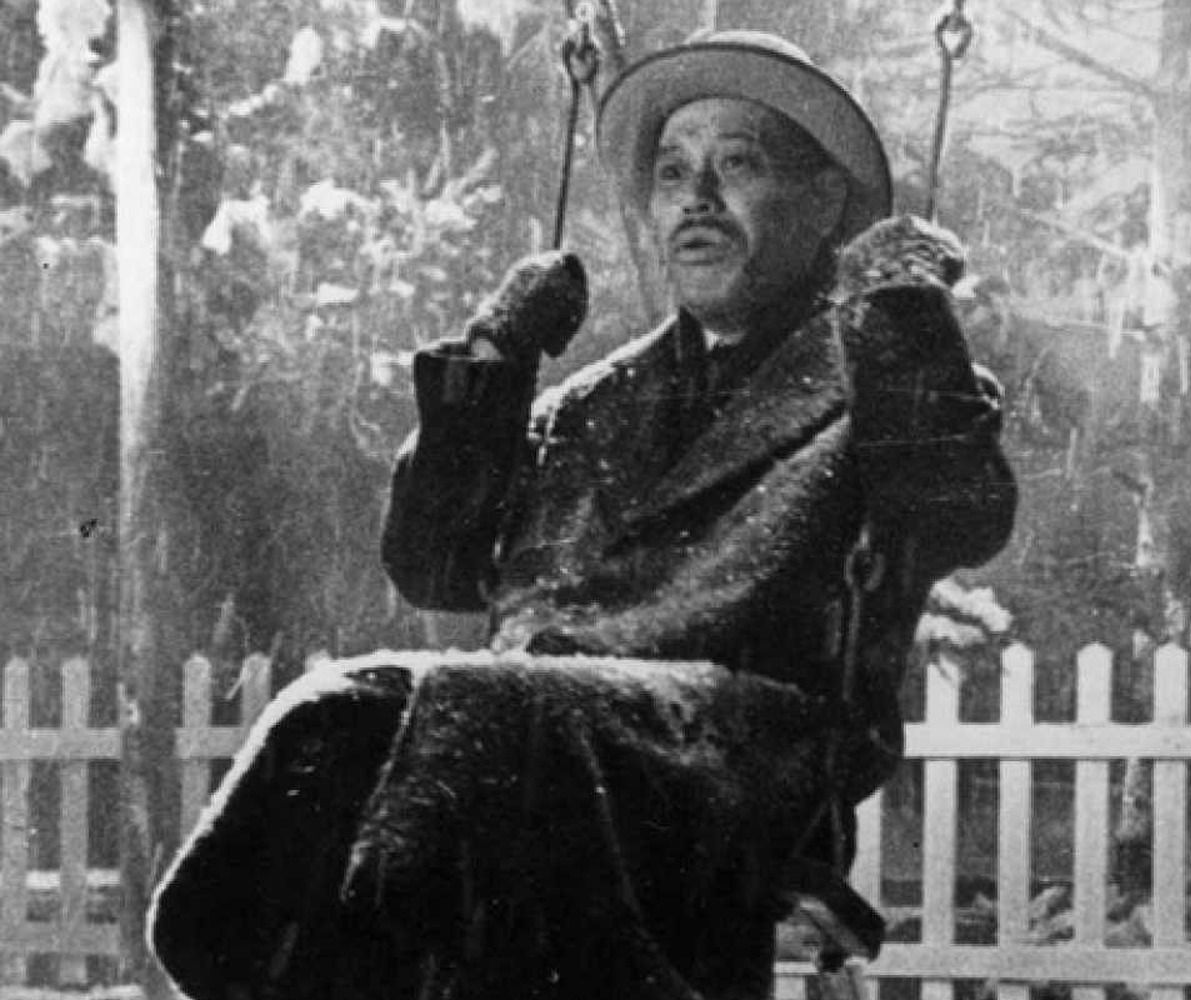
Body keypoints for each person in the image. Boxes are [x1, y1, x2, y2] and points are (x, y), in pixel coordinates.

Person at [149, 31, 1015, 1000]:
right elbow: (432, 562)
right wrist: (494, 359)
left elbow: (960, 509)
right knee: (341, 708)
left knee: (485, 723)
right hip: (560, 737)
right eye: (673, 171)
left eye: (737, 164)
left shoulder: (880, 381)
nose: (696, 198)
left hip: (736, 748)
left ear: (824, 206)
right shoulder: (587, 405)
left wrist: (898, 309)